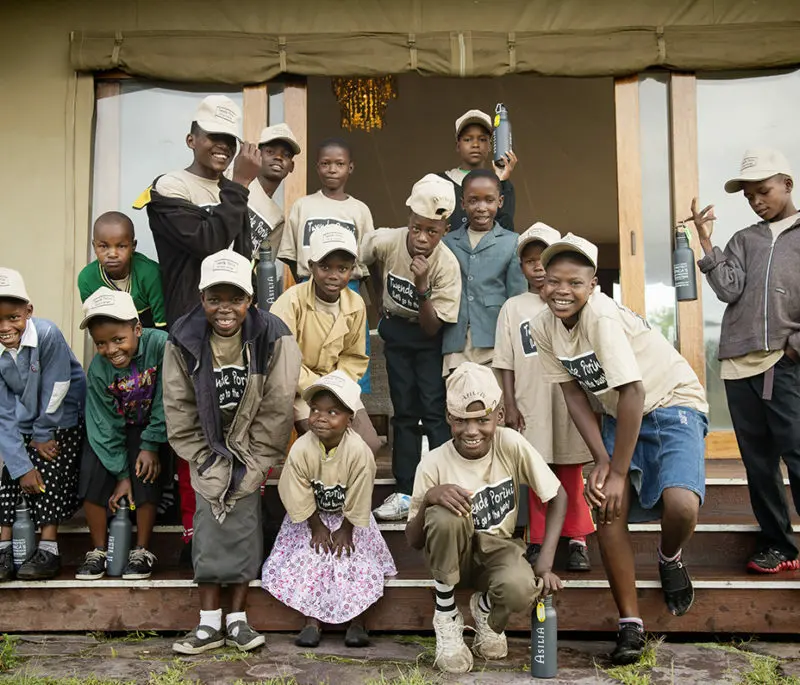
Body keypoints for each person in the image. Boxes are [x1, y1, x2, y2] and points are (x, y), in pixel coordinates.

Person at [530, 233, 708, 665]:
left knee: (681, 505)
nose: (562, 291)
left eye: (574, 283)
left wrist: (615, 472)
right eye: (554, 281)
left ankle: (669, 556)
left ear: (593, 286)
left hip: (670, 402)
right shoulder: (543, 326)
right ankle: (631, 624)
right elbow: (573, 394)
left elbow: (634, 391)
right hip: (619, 415)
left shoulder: (601, 318)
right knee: (606, 511)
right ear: (542, 282)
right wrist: (604, 461)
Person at [164, 249, 301, 655]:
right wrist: (205, 459)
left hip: (253, 445)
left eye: (235, 298)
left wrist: (255, 462)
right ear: (201, 297)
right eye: (215, 298)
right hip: (206, 445)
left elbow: (278, 406)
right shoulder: (182, 337)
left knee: (242, 517)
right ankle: (208, 623)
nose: (225, 308)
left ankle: (238, 619)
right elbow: (178, 406)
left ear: (250, 300)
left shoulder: (274, 335)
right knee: (208, 518)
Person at [142, 94, 261, 554]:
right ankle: (197, 534)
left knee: (236, 426)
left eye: (230, 139)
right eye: (213, 136)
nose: (223, 146)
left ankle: (235, 533)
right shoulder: (170, 186)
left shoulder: (231, 192)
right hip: (193, 326)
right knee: (197, 431)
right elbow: (210, 242)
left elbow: (242, 258)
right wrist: (241, 186)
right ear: (192, 138)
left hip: (236, 326)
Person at [405, 362, 566, 675]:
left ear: (500, 416)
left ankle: (485, 611)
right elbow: (413, 540)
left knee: (522, 589)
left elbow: (558, 497)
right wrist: (429, 499)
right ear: (449, 418)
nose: (472, 430)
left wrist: (544, 563)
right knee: (444, 513)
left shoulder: (510, 444)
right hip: (454, 558)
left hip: (498, 551)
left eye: (483, 420)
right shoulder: (434, 462)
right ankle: (447, 614)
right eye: (462, 421)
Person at [690, 148, 800, 574]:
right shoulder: (745, 239)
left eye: (764, 191)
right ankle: (779, 545)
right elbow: (728, 290)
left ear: (787, 184)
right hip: (739, 367)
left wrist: (794, 346)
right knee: (758, 462)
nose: (757, 201)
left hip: (785, 364)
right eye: (750, 196)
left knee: (796, 453)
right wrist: (706, 242)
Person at [262, 371, 396, 648]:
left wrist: (347, 529)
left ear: (350, 418)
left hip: (350, 518)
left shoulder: (359, 452)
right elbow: (295, 490)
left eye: (332, 412)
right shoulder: (301, 449)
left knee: (354, 560)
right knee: (313, 556)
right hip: (312, 518)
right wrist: (316, 526)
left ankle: (357, 622)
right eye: (315, 410)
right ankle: (312, 620)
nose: (320, 417)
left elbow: (360, 494)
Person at [493, 223, 595, 572]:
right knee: (537, 470)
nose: (537, 268)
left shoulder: (575, 302)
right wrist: (508, 402)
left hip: (569, 400)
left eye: (543, 260)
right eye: (529, 261)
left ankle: (578, 539)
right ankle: (537, 539)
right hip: (530, 399)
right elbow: (504, 360)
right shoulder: (513, 307)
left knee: (570, 469)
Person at [363, 174, 462, 522]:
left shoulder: (446, 265)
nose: (421, 238)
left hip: (429, 339)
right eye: (417, 228)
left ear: (444, 229)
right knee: (403, 412)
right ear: (408, 218)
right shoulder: (388, 241)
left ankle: (438, 485)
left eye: (431, 231)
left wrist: (422, 288)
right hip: (396, 335)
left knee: (434, 412)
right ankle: (405, 489)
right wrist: (377, 297)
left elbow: (433, 326)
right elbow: (364, 261)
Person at [74, 288, 169, 581]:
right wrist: (120, 474)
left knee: (145, 469)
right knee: (92, 466)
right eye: (101, 343)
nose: (111, 349)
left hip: (155, 428)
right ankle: (99, 550)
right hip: (113, 431)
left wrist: (151, 444)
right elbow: (103, 425)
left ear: (137, 329)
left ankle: (141, 550)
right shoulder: (99, 369)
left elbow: (169, 398)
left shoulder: (161, 346)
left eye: (118, 340)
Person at [0, 268, 86, 581]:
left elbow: (58, 387)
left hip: (61, 417)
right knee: (11, 471)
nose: (6, 327)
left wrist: (41, 435)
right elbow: (3, 414)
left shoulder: (47, 335)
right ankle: (5, 546)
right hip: (25, 421)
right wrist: (21, 464)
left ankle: (49, 547)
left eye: (13, 317)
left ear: (28, 312)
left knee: (49, 462)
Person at [270, 225, 379, 453]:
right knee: (324, 443)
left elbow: (354, 356)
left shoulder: (355, 303)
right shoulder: (290, 302)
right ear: (311, 266)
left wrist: (335, 390)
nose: (333, 275)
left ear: (352, 270)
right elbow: (282, 360)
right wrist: (318, 389)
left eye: (342, 268)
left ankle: (346, 488)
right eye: (325, 267)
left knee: (368, 445)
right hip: (299, 389)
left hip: (337, 387)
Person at [277, 137, 374, 393]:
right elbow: (289, 253)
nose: (332, 169)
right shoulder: (303, 205)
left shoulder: (359, 209)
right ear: (316, 167)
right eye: (325, 163)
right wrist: (306, 278)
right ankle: (310, 396)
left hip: (349, 288)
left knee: (352, 350)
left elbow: (367, 256)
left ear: (350, 168)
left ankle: (352, 402)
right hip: (308, 286)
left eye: (339, 164)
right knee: (305, 353)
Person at [442, 169, 527, 377]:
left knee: (494, 400)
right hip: (456, 339)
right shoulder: (447, 242)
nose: (481, 207)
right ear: (462, 204)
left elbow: (517, 298)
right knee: (458, 400)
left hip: (495, 338)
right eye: (473, 201)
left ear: (500, 202)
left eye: (489, 200)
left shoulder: (512, 242)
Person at [78, 211, 166, 329]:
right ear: (94, 246)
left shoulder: (150, 274)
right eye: (104, 246)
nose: (112, 254)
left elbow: (162, 327)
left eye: (121, 246)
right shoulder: (87, 279)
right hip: (111, 339)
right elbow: (96, 327)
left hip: (150, 337)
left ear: (133, 246)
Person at [438, 109, 517, 232]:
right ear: (458, 145)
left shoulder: (501, 183)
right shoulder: (440, 182)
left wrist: (501, 181)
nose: (475, 144)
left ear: (490, 146)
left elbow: (506, 229)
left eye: (482, 139)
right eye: (468, 139)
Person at [248, 123, 300, 259]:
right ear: (258, 155)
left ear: (292, 166)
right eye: (270, 152)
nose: (278, 157)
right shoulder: (237, 181)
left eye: (286, 155)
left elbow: (263, 262)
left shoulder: (277, 218)